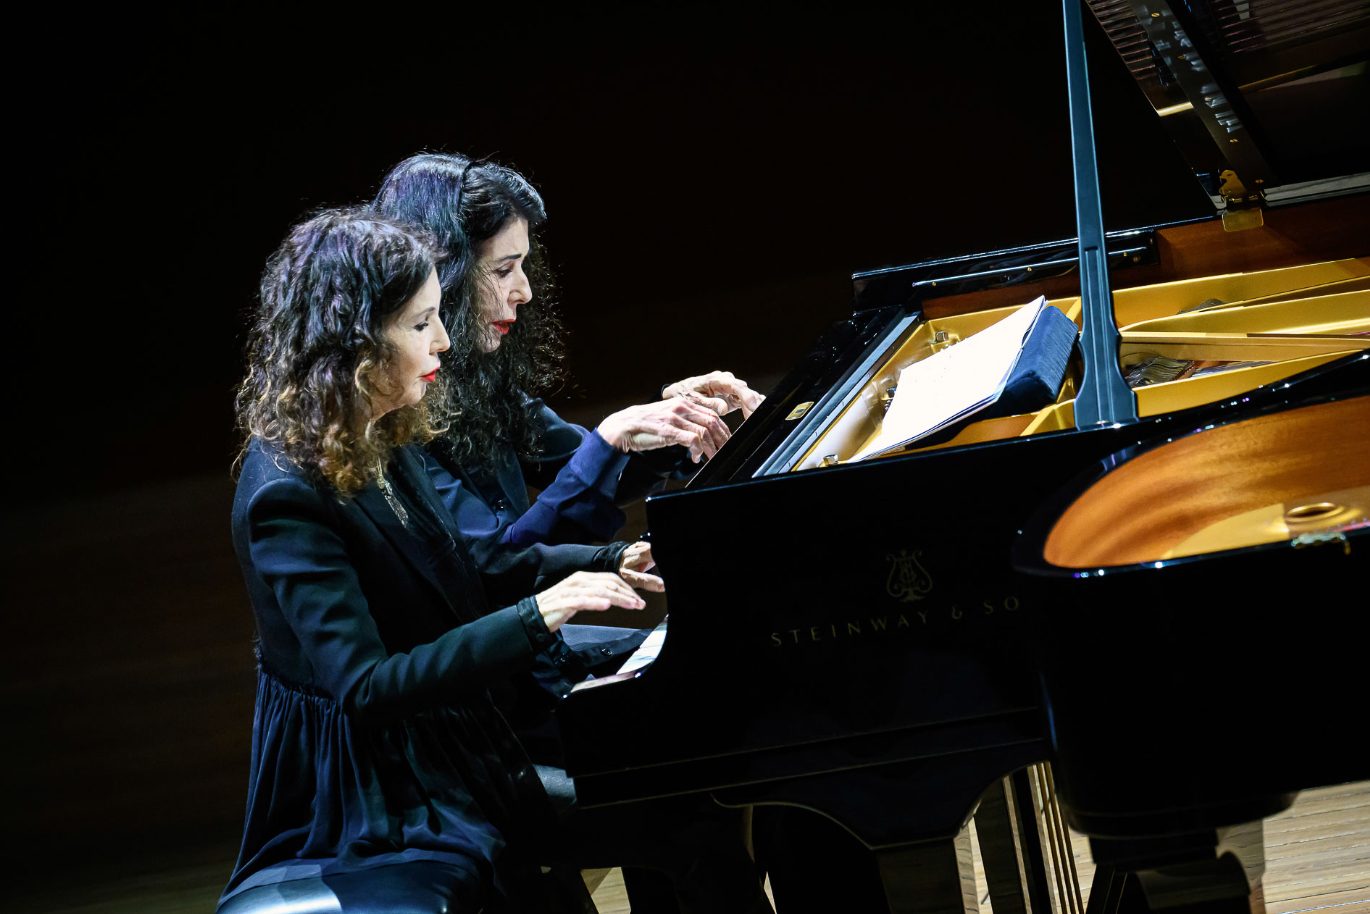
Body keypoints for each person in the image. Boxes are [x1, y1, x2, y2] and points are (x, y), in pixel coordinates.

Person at [221, 208, 771, 913]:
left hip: (453, 733)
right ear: (353, 343)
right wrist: (540, 613)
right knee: (683, 817)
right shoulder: (286, 497)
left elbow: (465, 564)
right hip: (381, 784)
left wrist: (607, 558)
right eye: (421, 325)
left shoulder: (380, 430)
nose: (445, 340)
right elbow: (367, 688)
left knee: (693, 790)